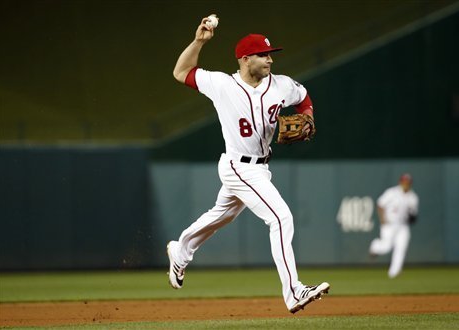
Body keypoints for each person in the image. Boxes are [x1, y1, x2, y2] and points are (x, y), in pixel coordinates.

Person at [166, 15, 329, 313]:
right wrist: (199, 42)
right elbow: (181, 71)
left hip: (260, 167)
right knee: (280, 218)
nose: (269, 60)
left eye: (270, 54)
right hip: (238, 166)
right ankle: (293, 292)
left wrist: (309, 117)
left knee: (221, 216)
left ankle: (181, 249)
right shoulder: (221, 84)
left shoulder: (280, 86)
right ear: (244, 59)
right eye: (263, 55)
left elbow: (304, 97)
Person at [369, 173, 419, 278]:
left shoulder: (413, 197)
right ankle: (375, 246)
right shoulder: (392, 192)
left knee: (401, 247)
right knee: (387, 247)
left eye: (408, 182)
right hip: (389, 224)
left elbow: (413, 214)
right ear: (400, 182)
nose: (406, 184)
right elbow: (380, 204)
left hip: (403, 226)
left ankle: (394, 272)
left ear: (410, 183)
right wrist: (383, 220)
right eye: (404, 181)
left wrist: (412, 217)